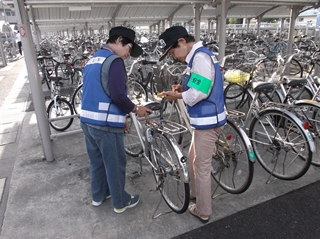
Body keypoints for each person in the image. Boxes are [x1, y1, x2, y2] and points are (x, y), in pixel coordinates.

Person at [80, 26, 152, 214]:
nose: (128, 54)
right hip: (104, 125)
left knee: (96, 162)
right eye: (128, 48)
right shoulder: (115, 61)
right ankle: (120, 201)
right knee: (115, 163)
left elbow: (99, 92)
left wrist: (121, 118)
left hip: (87, 121)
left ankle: (98, 195)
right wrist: (137, 109)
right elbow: (118, 96)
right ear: (119, 40)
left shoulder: (93, 58)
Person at [159, 26, 226, 223]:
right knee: (193, 158)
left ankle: (203, 210)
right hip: (204, 121)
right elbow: (200, 85)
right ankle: (195, 196)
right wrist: (183, 88)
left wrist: (179, 95)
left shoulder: (200, 58)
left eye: (173, 52)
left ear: (181, 41)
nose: (174, 57)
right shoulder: (199, 55)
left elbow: (200, 93)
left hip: (208, 122)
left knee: (201, 166)